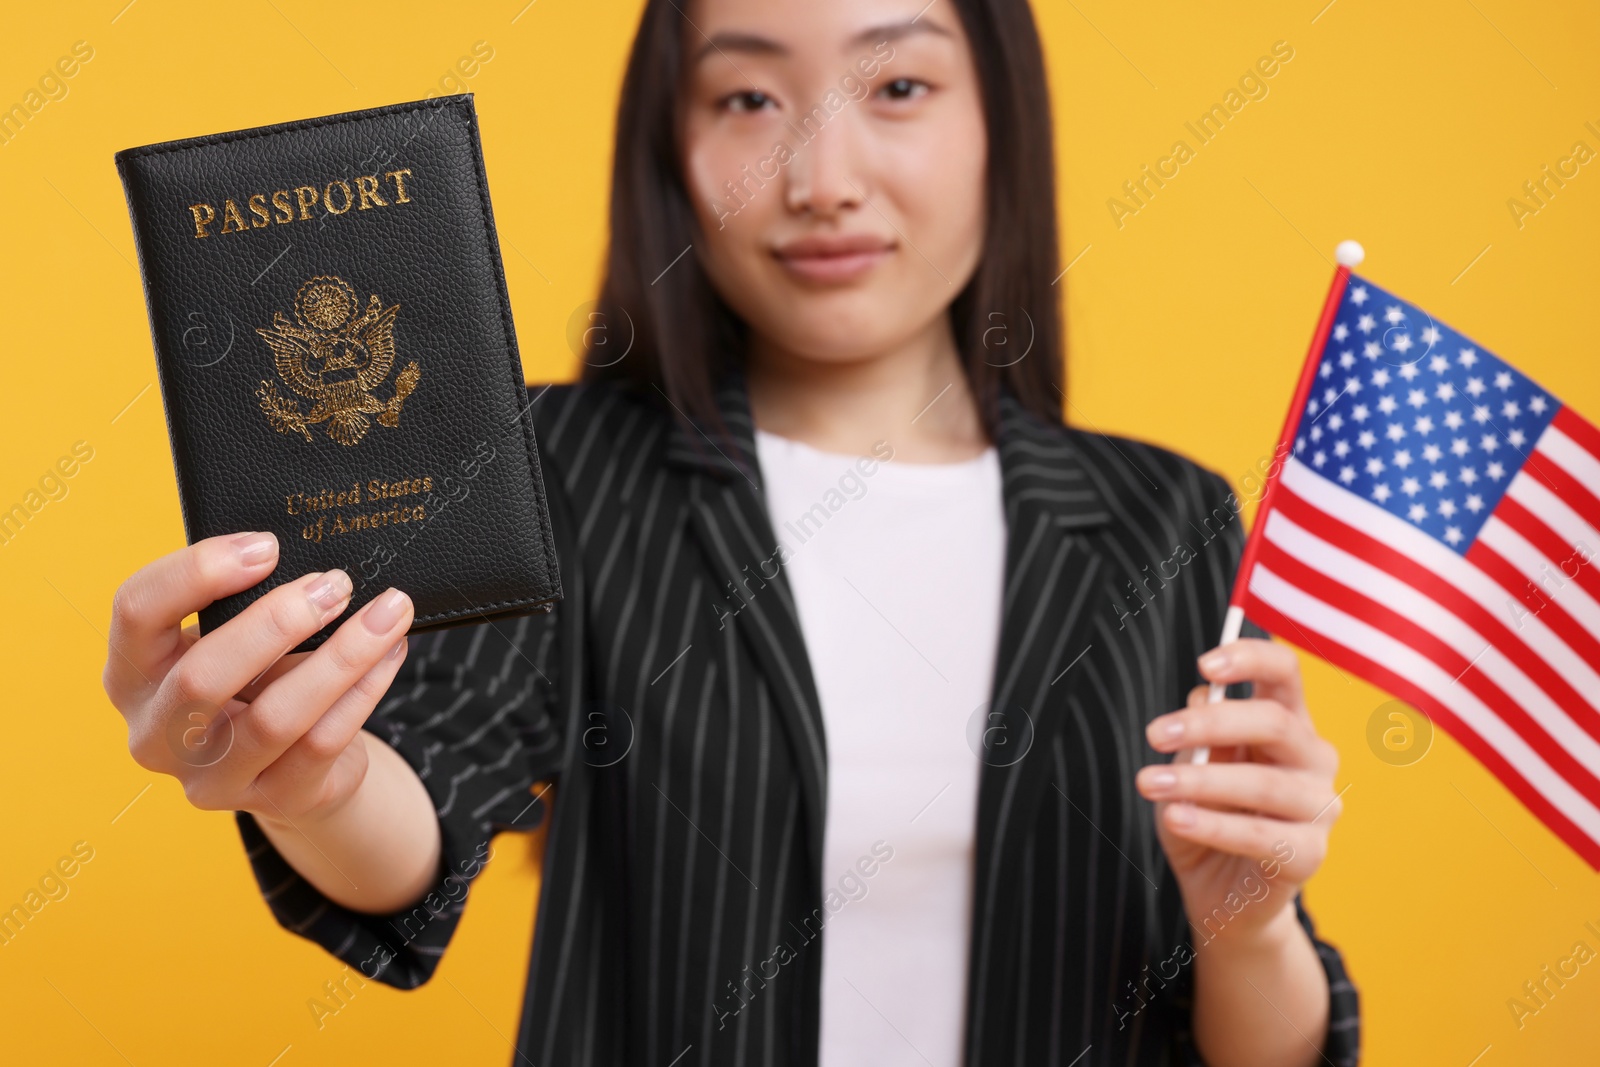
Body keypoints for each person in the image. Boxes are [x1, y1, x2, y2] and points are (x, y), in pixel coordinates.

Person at [102, 0, 1360, 1063]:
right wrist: (310, 776)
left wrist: (1248, 923)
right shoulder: (565, 466)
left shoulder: (1163, 520)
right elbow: (418, 810)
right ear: (668, 142)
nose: (822, 180)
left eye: (902, 85)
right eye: (748, 101)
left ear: (1001, 127)